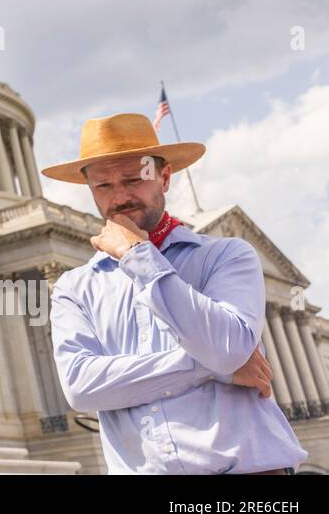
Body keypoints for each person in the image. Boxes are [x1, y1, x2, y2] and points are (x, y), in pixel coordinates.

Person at [43, 113, 308, 474]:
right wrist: (216, 369)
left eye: (134, 179)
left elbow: (228, 346)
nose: (120, 196)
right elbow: (82, 388)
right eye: (103, 186)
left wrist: (139, 257)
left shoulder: (226, 256)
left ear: (164, 177)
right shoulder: (75, 288)